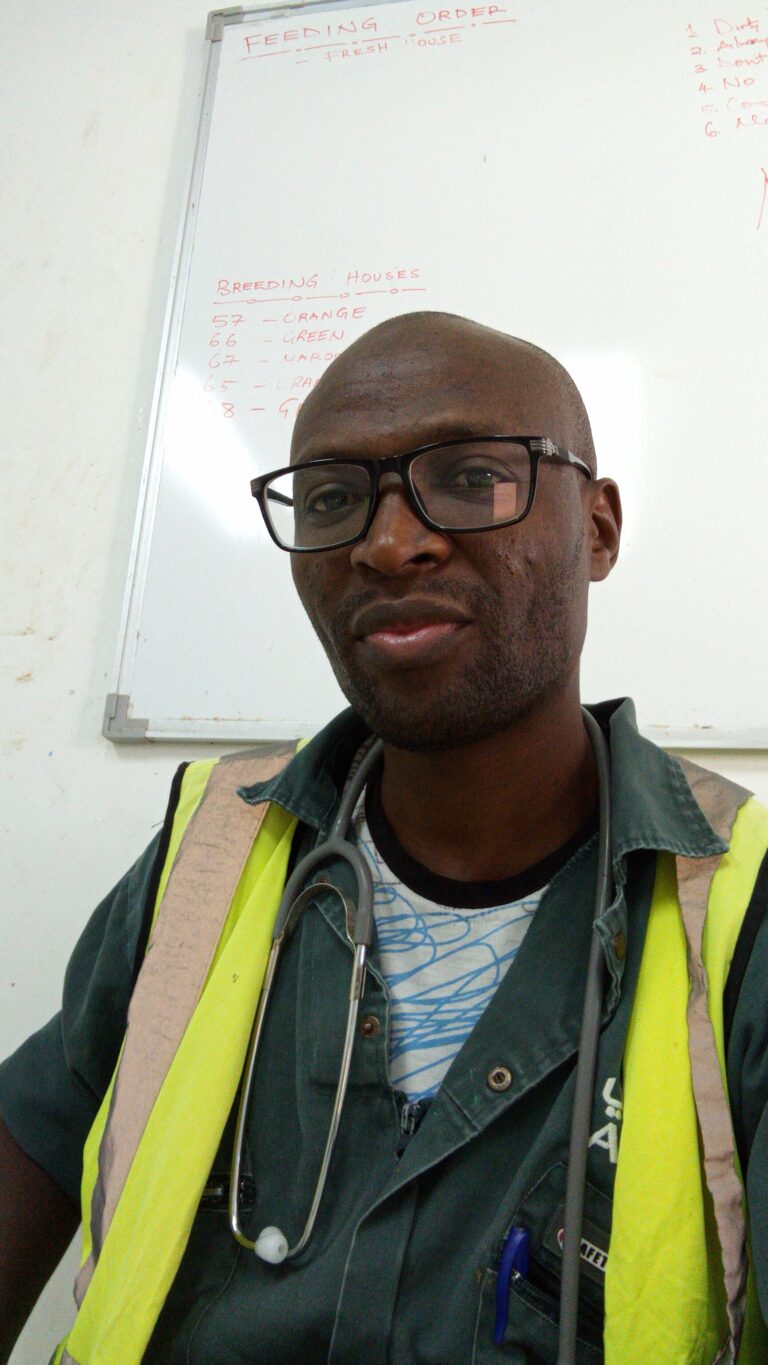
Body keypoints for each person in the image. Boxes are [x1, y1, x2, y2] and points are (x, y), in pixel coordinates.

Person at [1, 312, 767, 1365]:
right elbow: (39, 1128)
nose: (388, 542)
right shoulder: (213, 848)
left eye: (471, 477)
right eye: (331, 499)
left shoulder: (737, 903)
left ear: (597, 530)